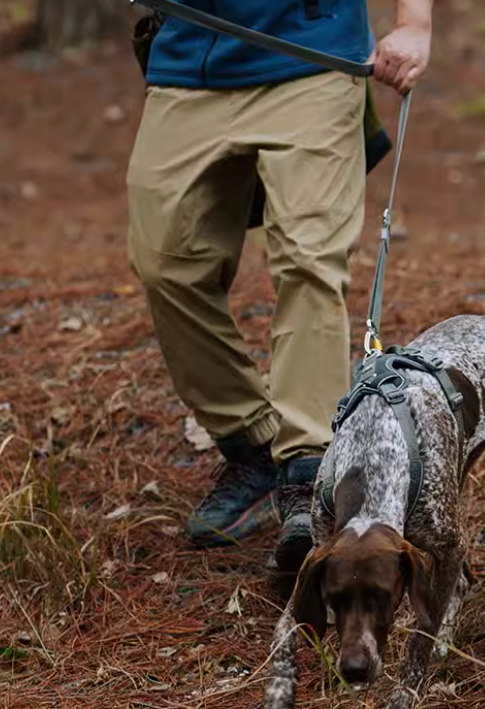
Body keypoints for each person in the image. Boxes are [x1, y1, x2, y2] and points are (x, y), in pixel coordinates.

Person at [127, 0, 433, 576]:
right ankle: (251, 444)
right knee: (165, 263)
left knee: (308, 262)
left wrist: (414, 24)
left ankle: (306, 472)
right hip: (188, 58)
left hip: (311, 59)